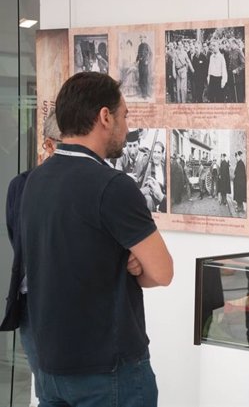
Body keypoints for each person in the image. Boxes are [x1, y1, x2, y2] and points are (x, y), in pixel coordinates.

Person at [21, 72, 173, 406]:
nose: (127, 126)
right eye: (125, 116)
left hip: (50, 366)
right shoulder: (113, 186)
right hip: (107, 370)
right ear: (105, 117)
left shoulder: (32, 181)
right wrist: (132, 265)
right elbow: (162, 272)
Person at [0, 111, 62, 398]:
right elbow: (19, 242)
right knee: (48, 392)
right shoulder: (21, 186)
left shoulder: (98, 186)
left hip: (77, 310)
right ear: (49, 145)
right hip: (32, 308)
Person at [140, 140, 167, 213]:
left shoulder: (166, 168)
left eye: (159, 152)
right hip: (151, 204)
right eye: (154, 152)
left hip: (163, 204)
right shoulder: (147, 166)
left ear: (162, 154)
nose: (156, 155)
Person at [135, 34, 152, 99]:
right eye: (140, 38)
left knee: (145, 79)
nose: (141, 39)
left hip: (145, 64)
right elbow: (138, 54)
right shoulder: (139, 46)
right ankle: (143, 94)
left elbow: (151, 54)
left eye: (142, 38)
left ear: (144, 39)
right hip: (140, 65)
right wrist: (136, 61)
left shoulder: (147, 45)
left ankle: (146, 93)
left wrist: (148, 61)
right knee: (141, 79)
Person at [233, 150, 247, 215]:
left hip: (240, 184)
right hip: (239, 183)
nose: (236, 158)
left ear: (239, 156)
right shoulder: (239, 163)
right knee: (239, 196)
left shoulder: (240, 163)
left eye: (237, 156)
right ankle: (240, 207)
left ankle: (240, 208)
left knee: (239, 196)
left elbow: (240, 174)